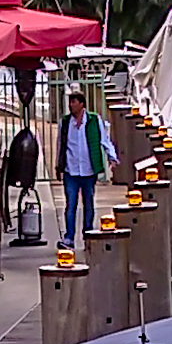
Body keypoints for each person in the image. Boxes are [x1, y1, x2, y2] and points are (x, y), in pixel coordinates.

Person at [57, 96, 111, 246]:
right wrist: (58, 166)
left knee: (89, 203)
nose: (71, 105)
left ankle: (88, 233)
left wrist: (111, 156)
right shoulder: (66, 122)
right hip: (71, 170)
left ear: (82, 104)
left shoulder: (94, 120)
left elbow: (103, 139)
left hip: (88, 170)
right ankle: (69, 237)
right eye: (70, 102)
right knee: (70, 205)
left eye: (74, 102)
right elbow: (60, 145)